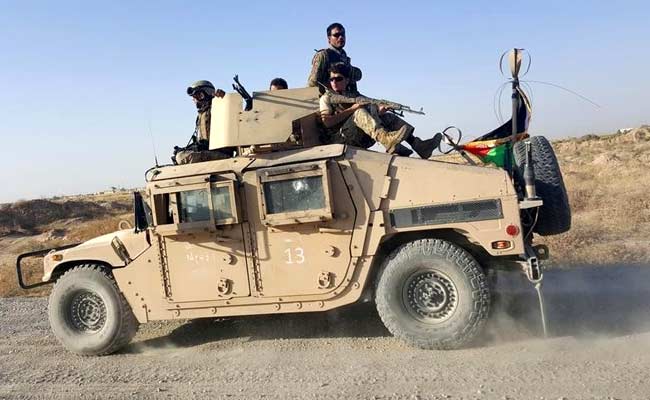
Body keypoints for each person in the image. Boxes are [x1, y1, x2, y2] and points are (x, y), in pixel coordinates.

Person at [319, 63, 439, 158]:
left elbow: (367, 116)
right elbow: (327, 122)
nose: (334, 82)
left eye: (338, 79)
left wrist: (378, 112)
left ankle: (419, 146)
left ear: (347, 80)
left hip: (360, 137)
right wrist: (352, 109)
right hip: (340, 140)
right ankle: (387, 140)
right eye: (332, 79)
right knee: (359, 112)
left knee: (388, 117)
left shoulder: (353, 95)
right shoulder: (327, 98)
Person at [173, 80, 233, 165]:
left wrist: (223, 97)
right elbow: (202, 142)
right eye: (194, 98)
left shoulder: (217, 108)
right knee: (180, 154)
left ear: (208, 94)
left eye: (199, 96)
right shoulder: (202, 115)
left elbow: (231, 107)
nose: (196, 100)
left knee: (181, 157)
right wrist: (187, 148)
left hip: (221, 153)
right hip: (209, 151)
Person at [308, 22, 362, 94]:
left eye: (342, 34)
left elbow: (353, 79)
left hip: (345, 96)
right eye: (336, 35)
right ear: (329, 39)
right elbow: (313, 83)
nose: (341, 37)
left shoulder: (344, 58)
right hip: (329, 97)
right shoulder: (323, 55)